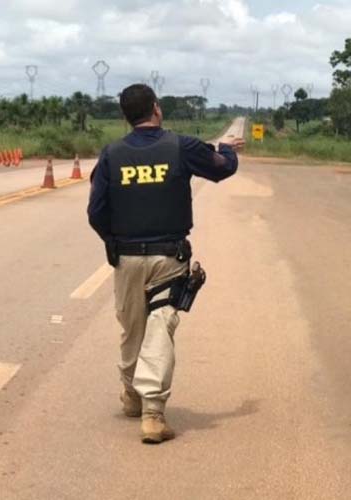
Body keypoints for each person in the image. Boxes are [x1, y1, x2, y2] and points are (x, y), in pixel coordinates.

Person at [87, 84, 244, 444]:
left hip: (126, 257)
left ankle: (132, 395)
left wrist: (114, 243)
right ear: (156, 109)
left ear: (126, 116)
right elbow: (221, 169)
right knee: (159, 327)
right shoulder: (180, 146)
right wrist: (226, 151)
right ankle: (152, 414)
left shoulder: (111, 155)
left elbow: (96, 212)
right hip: (168, 256)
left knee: (132, 329)